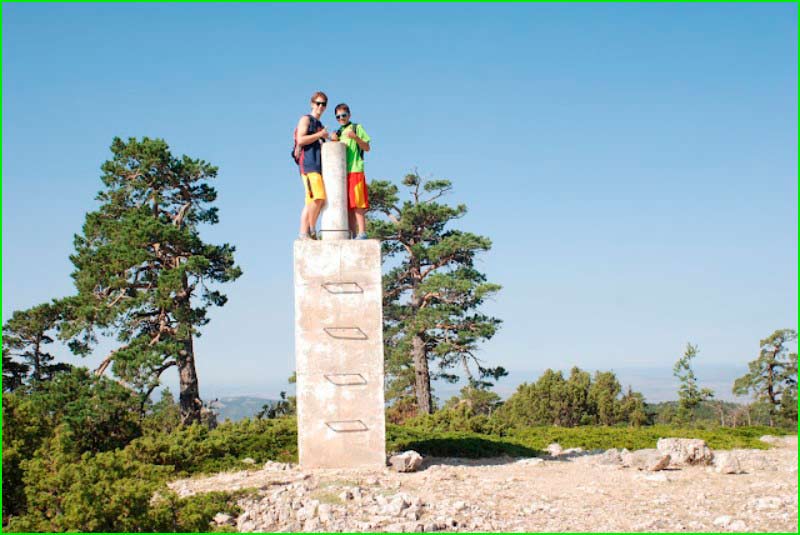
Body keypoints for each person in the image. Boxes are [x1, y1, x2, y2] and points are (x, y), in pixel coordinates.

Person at [330, 103, 371, 239]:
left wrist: (355, 137)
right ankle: (352, 235)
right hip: (341, 173)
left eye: (343, 115)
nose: (341, 118)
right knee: (347, 205)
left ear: (349, 115)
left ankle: (362, 232)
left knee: (357, 202)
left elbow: (367, 147)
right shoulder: (339, 132)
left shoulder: (356, 127)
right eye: (338, 117)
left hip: (355, 169)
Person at [295, 91, 330, 240]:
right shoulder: (306, 119)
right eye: (318, 103)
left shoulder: (320, 125)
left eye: (323, 104)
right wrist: (319, 135)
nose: (320, 106)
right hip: (308, 164)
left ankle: (305, 232)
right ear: (312, 104)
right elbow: (301, 140)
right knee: (318, 197)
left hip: (317, 165)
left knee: (313, 201)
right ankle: (310, 229)